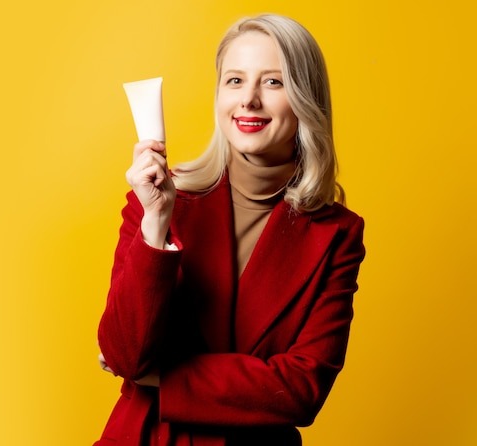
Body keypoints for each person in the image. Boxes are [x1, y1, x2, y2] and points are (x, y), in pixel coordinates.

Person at [95, 13, 365, 446]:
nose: (249, 101)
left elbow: (301, 389)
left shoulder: (338, 234)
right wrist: (157, 225)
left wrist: (161, 375)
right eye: (235, 81)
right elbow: (124, 354)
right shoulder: (159, 199)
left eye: (273, 82)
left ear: (305, 99)